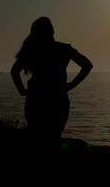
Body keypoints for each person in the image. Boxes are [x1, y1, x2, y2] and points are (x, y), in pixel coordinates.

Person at [10, 16, 93, 148]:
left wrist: (22, 91)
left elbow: (14, 72)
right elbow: (87, 65)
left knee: (37, 140)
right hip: (58, 99)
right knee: (53, 140)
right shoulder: (63, 49)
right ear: (52, 31)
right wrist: (71, 85)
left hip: (36, 99)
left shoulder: (31, 50)